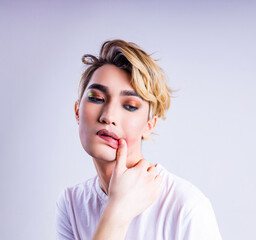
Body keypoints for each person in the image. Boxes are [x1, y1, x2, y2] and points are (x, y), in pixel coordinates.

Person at [55, 39, 222, 240]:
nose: (108, 116)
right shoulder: (73, 204)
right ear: (77, 111)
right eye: (97, 98)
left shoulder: (185, 206)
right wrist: (117, 210)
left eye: (130, 106)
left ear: (149, 125)